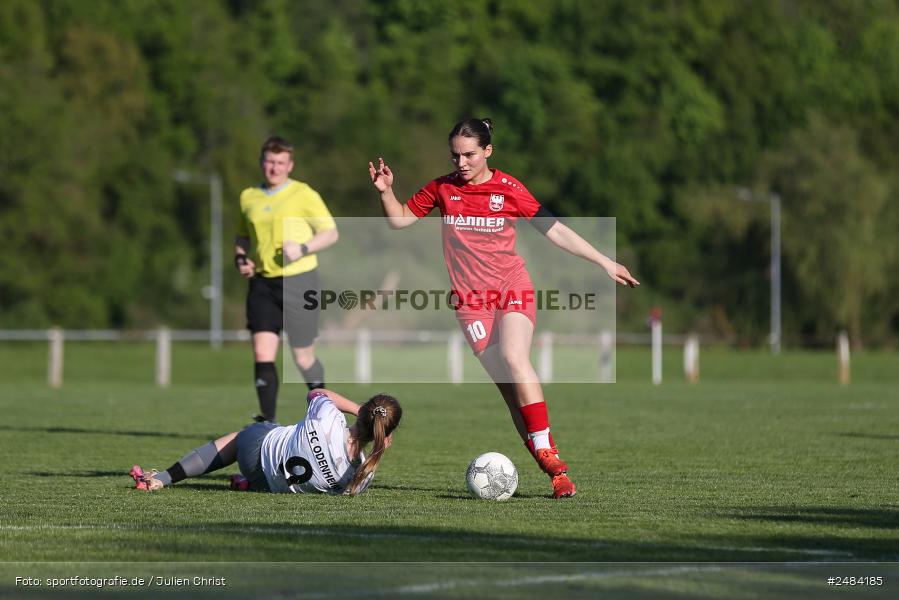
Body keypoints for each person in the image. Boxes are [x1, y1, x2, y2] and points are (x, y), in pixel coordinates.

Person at [368, 118, 640, 499]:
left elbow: (555, 228)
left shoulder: (509, 188)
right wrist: (386, 191)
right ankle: (553, 470)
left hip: (511, 285)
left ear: (488, 151)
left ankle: (547, 452)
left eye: (469, 155)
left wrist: (603, 261)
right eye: (455, 155)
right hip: (470, 303)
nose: (461, 162)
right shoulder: (442, 188)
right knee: (511, 396)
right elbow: (399, 220)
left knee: (516, 356)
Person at [235, 136, 339, 423]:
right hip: (263, 283)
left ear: (290, 165)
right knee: (262, 352)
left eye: (280, 163)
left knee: (303, 358)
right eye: (269, 161)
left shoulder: (304, 194)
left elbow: (331, 232)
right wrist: (241, 258)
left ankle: (325, 416)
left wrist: (303, 248)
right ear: (261, 162)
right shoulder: (248, 197)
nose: (274, 168)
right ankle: (267, 423)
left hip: (300, 281)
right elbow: (242, 235)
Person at [130, 389, 402, 495]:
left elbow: (316, 392)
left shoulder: (330, 418)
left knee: (245, 436)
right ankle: (245, 484)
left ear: (364, 411)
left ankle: (162, 478)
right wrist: (379, 448)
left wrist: (355, 407)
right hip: (269, 487)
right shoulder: (363, 474)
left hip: (256, 452)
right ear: (386, 436)